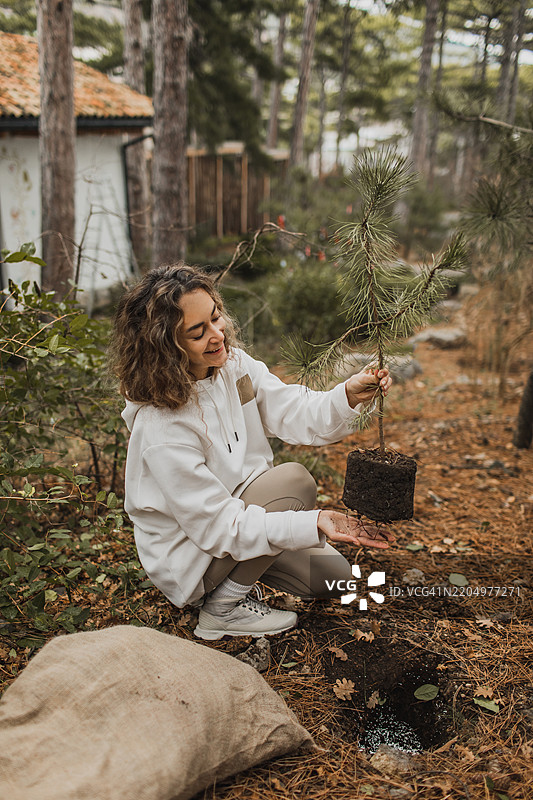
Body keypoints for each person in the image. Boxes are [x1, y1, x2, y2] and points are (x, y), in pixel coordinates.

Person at [110, 264, 395, 641]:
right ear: (165, 346)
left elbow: (294, 411)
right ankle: (221, 608)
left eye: (216, 318)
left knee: (335, 581)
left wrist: (347, 396)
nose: (217, 335)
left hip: (248, 516)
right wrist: (310, 522)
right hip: (194, 552)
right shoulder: (162, 426)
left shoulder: (234, 367)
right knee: (295, 482)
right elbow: (217, 526)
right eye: (198, 332)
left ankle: (244, 575)